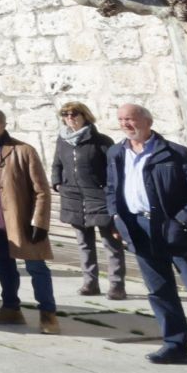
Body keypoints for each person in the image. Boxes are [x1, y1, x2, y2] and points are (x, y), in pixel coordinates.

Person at [106, 103, 187, 373]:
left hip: (178, 232)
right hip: (139, 231)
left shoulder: (176, 154)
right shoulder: (116, 153)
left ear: (148, 121)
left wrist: (180, 221)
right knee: (160, 292)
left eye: (131, 119)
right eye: (121, 120)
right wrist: (116, 217)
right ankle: (175, 346)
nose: (126, 124)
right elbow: (112, 189)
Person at [0, 108, 59, 333]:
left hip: (21, 222)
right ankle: (10, 308)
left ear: (2, 124)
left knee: (36, 267)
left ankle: (48, 314)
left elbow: (41, 191)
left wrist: (40, 222)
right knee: (2, 265)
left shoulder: (23, 150)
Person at [53, 101, 126, 299]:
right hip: (73, 198)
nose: (70, 118)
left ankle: (117, 285)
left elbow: (113, 171)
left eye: (74, 114)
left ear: (85, 116)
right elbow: (57, 164)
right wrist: (57, 183)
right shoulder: (63, 140)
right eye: (66, 114)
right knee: (84, 243)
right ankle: (90, 282)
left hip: (98, 197)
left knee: (111, 243)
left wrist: (109, 192)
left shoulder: (101, 141)